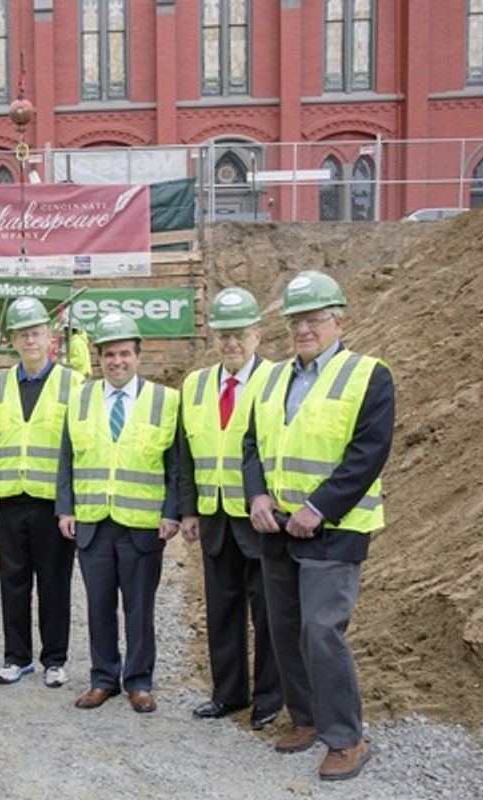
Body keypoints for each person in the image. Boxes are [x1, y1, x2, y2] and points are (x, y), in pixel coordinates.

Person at [243, 270, 394, 782]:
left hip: (336, 527)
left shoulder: (368, 375)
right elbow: (252, 445)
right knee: (284, 627)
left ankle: (346, 737)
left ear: (338, 320)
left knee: (321, 629)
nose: (303, 329)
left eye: (314, 319)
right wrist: (256, 494)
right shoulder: (271, 378)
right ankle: (305, 717)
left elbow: (368, 453)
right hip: (277, 525)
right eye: (295, 321)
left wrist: (320, 507)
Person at [56, 311, 180, 713]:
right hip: (93, 521)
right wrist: (65, 508)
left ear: (138, 356)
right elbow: (67, 458)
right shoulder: (80, 398)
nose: (117, 361)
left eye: (124, 353)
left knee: (139, 607)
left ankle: (139, 681)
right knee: (98, 605)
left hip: (142, 525)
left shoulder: (165, 400)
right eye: (109, 354)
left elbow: (177, 465)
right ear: (99, 358)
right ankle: (103, 678)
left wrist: (172, 512)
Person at [178, 288, 282, 730]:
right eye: (224, 335)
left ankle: (269, 699)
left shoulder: (277, 380)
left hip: (260, 518)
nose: (231, 343)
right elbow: (184, 453)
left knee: (269, 612)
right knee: (222, 609)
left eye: (239, 334)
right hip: (216, 515)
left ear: (257, 334)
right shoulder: (196, 384)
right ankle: (228, 693)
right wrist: (189, 510)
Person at [0, 297, 81, 687]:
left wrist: (73, 502)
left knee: (54, 584)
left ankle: (54, 659)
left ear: (50, 336)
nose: (30, 340)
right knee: (13, 583)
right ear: (11, 340)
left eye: (36, 332)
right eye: (22, 334)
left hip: (53, 504)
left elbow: (80, 446)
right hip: (10, 503)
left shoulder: (72, 383)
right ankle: (16, 657)